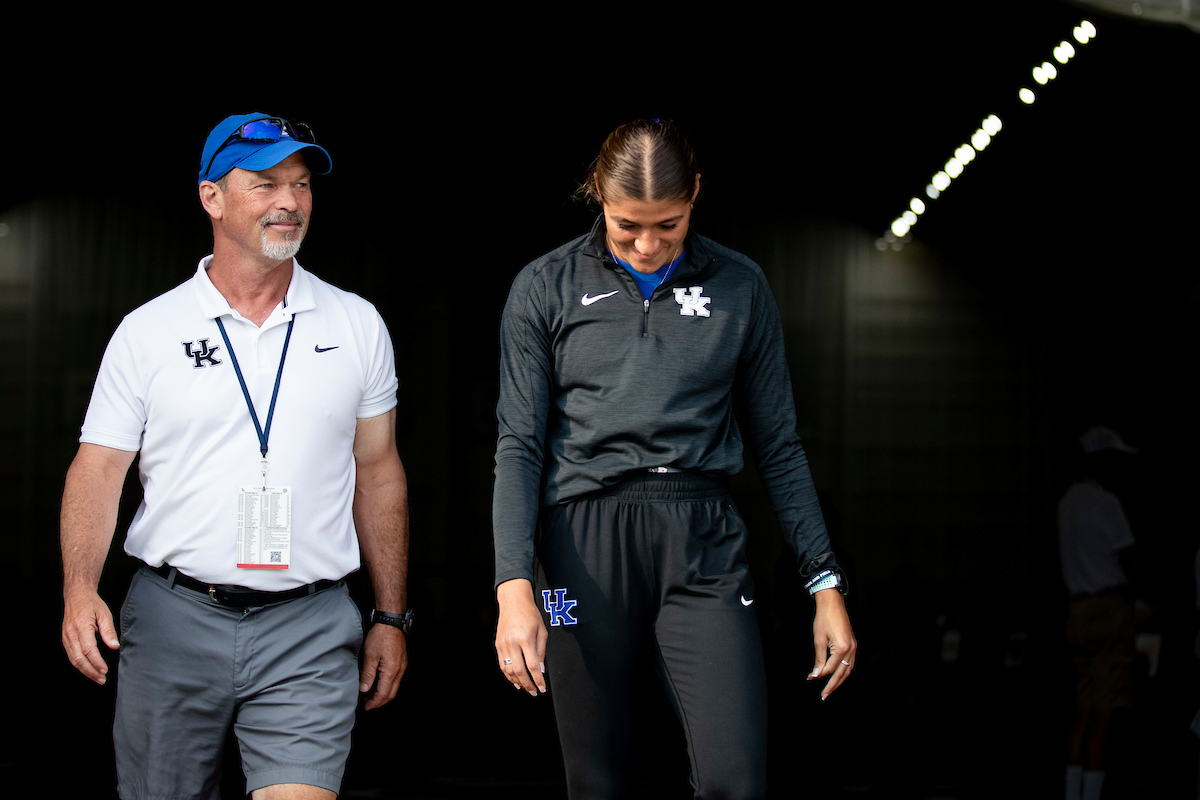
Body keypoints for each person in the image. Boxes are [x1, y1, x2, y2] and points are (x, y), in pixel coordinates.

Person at [492, 118, 856, 799]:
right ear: (598, 194)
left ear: (695, 195)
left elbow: (779, 445)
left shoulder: (740, 285)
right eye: (627, 225)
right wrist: (512, 585)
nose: (648, 244)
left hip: (702, 538)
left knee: (735, 780)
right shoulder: (544, 286)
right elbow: (519, 445)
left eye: (670, 224)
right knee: (598, 785)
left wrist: (824, 583)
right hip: (582, 541)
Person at [59, 112, 412, 800]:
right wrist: (79, 589)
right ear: (211, 197)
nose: (289, 201)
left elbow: (379, 471)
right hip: (173, 619)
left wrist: (391, 616)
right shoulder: (147, 331)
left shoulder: (356, 323)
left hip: (310, 624)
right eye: (266, 183)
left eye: (301, 184)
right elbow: (98, 469)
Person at [1059, 425, 1138, 800]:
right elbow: (1131, 557)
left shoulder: (1066, 502)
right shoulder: (1105, 502)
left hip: (1078, 610)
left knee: (1084, 710)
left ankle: (1073, 793)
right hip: (1107, 610)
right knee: (1104, 713)